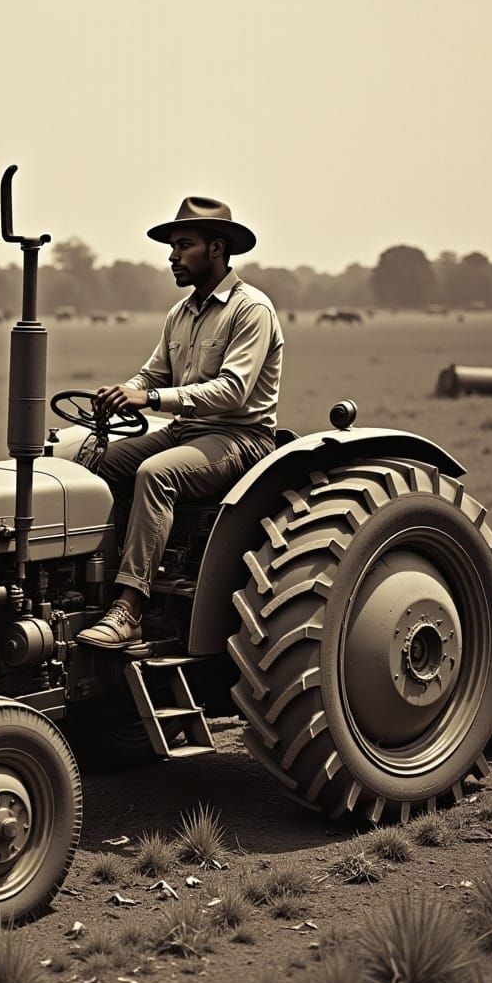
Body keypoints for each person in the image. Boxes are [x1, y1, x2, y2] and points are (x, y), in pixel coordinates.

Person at [76, 195, 284, 648]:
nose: (172, 256)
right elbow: (153, 373)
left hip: (239, 437)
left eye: (183, 245)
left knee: (156, 473)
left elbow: (232, 391)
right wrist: (120, 393)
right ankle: (91, 584)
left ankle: (129, 607)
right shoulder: (181, 313)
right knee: (94, 465)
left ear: (217, 249)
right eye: (171, 246)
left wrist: (148, 397)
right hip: (186, 431)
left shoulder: (251, 310)